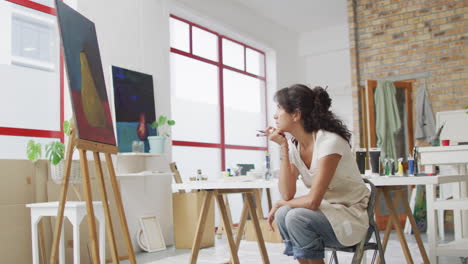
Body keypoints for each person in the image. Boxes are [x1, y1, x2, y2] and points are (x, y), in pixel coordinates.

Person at [264, 84, 370, 264]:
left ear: (296, 114)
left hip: (350, 218)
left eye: (279, 108)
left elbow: (313, 201)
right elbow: (287, 193)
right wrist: (283, 147)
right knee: (283, 214)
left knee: (296, 216)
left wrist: (283, 203)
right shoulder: (296, 146)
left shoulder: (329, 143)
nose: (275, 115)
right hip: (326, 213)